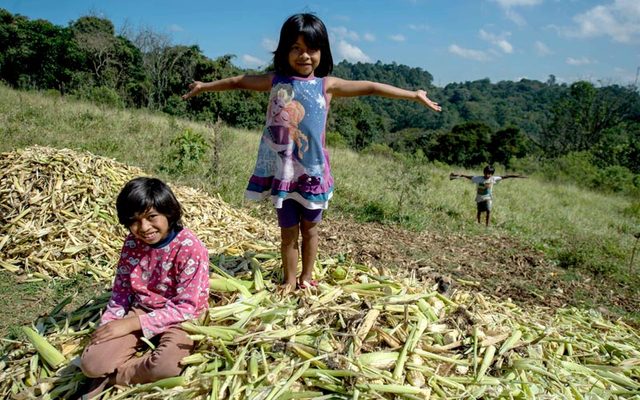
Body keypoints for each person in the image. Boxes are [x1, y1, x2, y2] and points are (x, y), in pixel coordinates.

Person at [182, 13, 441, 291]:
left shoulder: (327, 85)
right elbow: (238, 81)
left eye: (312, 49)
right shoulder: (275, 81)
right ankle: (289, 280)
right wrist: (204, 86)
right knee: (288, 232)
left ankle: (306, 278)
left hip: (313, 174)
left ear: (322, 52)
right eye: (296, 48)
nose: (304, 55)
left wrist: (413, 94)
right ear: (285, 51)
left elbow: (371, 87)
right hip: (284, 174)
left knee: (310, 230)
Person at [78, 177, 210, 399]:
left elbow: (186, 308)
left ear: (168, 212)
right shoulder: (132, 244)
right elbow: (121, 294)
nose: (144, 228)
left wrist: (132, 324)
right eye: (134, 221)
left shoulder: (190, 248)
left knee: (166, 367)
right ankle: (110, 372)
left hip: (180, 318)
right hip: (143, 308)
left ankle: (113, 378)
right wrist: (110, 325)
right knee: (92, 363)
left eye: (151, 217)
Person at [450, 165, 526, 226]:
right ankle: (478, 223)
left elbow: (506, 176)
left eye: (489, 174)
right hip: (479, 197)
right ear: (484, 172)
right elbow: (467, 176)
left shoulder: (493, 179)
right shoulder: (478, 178)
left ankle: (487, 225)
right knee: (479, 211)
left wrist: (518, 176)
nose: (487, 175)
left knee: (488, 210)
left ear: (492, 174)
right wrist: (457, 175)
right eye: (486, 173)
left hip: (488, 197)